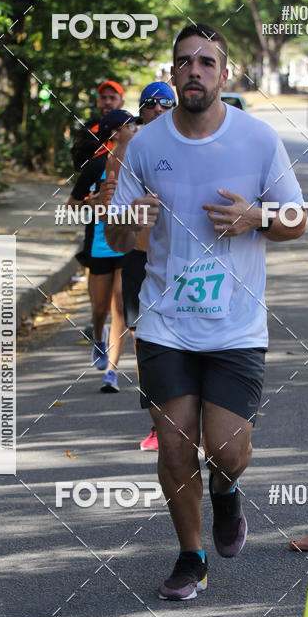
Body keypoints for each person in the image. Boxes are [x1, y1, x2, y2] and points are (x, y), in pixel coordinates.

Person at [103, 23, 305, 600]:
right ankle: (191, 556)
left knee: (227, 449)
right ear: (172, 74)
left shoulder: (257, 139)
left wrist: (256, 218)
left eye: (207, 62)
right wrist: (128, 223)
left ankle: (225, 489)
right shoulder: (146, 145)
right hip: (165, 320)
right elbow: (115, 239)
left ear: (224, 73)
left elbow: (297, 219)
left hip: (236, 325)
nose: (195, 70)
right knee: (173, 445)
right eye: (185, 61)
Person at [120, 81, 176, 451]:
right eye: (151, 104)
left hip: (178, 258)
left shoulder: (189, 144)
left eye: (166, 103)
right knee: (144, 340)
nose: (158, 109)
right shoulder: (131, 149)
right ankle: (158, 422)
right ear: (141, 111)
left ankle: (190, 416)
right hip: (139, 256)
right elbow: (112, 207)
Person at [67, 109, 137, 392]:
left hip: (126, 244)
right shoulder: (96, 166)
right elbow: (71, 206)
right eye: (130, 126)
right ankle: (99, 338)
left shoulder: (138, 165)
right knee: (100, 309)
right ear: (116, 133)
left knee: (120, 305)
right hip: (99, 245)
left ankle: (112, 371)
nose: (135, 130)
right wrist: (92, 203)